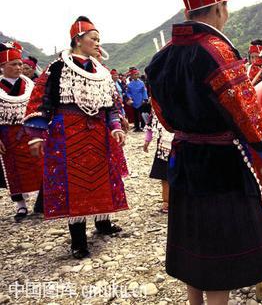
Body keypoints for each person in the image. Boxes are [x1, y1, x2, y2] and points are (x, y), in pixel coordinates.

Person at [145, 0, 262, 305]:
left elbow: (164, 118)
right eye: (225, 7)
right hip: (220, 167)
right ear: (218, 7)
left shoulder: (161, 59)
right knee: (218, 254)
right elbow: (245, 112)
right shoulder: (217, 52)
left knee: (194, 247)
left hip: (184, 159)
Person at [24, 16, 128, 259]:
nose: (97, 43)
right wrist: (37, 134)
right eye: (93, 38)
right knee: (75, 185)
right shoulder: (58, 68)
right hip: (67, 134)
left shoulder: (101, 71)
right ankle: (78, 240)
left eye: (98, 39)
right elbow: (42, 99)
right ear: (78, 40)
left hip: (99, 133)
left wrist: (115, 126)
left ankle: (103, 223)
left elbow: (111, 105)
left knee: (102, 179)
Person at [0, 41, 43, 221]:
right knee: (13, 170)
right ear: (2, 67)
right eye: (14, 64)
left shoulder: (30, 86)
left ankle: (42, 203)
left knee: (39, 165)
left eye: (20, 64)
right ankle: (21, 205)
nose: (19, 68)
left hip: (29, 130)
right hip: (7, 134)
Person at [143, 108, 172, 213]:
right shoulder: (157, 105)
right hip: (164, 145)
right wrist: (147, 140)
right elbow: (151, 122)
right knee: (165, 175)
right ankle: (167, 202)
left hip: (182, 143)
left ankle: (181, 200)